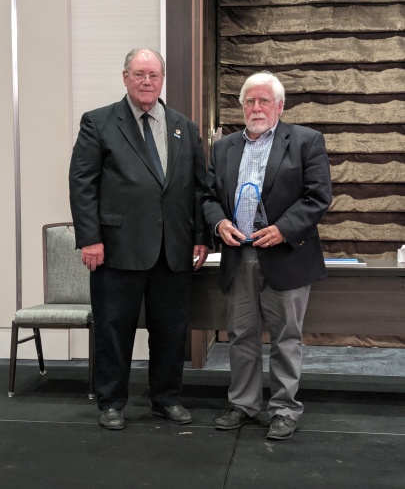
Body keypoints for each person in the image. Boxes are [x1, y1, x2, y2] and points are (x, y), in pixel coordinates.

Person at [69, 48, 211, 430]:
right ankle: (111, 402)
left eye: (153, 75)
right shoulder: (98, 122)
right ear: (125, 77)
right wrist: (90, 239)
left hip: (173, 249)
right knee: (114, 329)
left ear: (162, 80)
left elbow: (199, 187)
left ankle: (166, 398)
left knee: (171, 330)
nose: (147, 81)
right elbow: (82, 184)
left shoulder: (185, 127)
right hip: (117, 248)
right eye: (139, 74)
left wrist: (201, 237)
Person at [203, 71, 332, 440]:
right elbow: (208, 197)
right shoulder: (224, 148)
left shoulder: (306, 141)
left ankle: (284, 410)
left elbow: (318, 196)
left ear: (280, 106)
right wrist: (219, 223)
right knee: (240, 334)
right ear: (242, 106)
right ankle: (243, 404)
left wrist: (283, 229)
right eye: (249, 101)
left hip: (287, 256)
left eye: (263, 101)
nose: (256, 108)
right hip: (238, 256)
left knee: (286, 337)